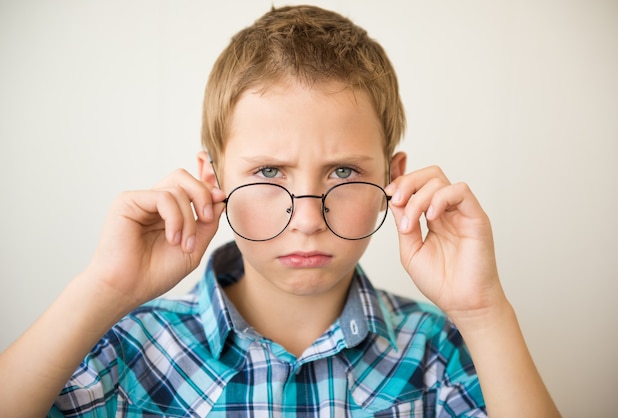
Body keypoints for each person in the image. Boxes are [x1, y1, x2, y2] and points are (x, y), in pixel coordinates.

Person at [0, 5, 560, 417]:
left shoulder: (438, 352)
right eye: (269, 173)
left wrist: (484, 312)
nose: (309, 220)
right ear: (212, 180)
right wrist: (104, 288)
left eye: (343, 172)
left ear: (393, 180)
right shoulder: (130, 349)